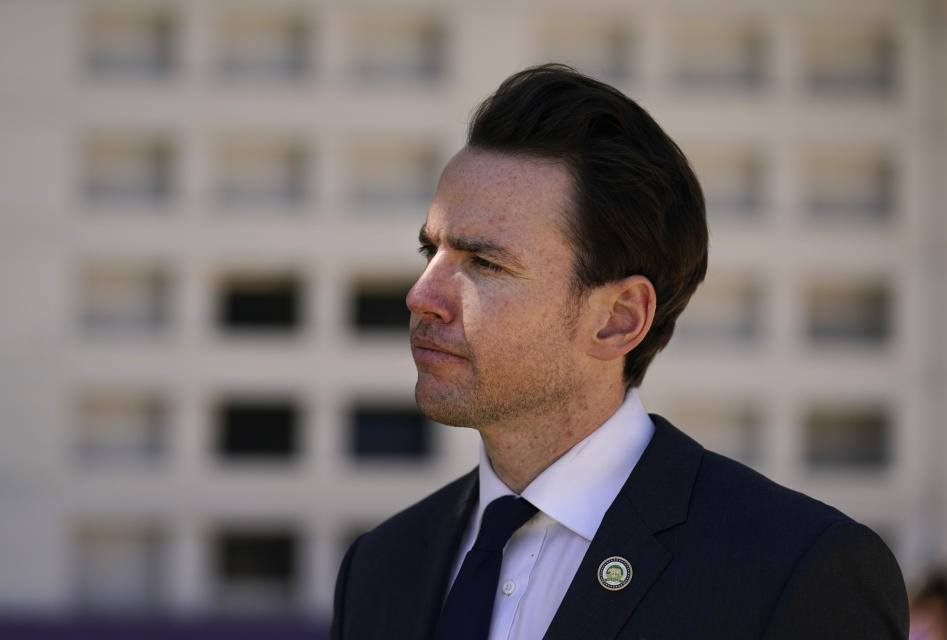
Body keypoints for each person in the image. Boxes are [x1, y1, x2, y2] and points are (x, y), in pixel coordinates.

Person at [330, 64, 908, 640]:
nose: (421, 295)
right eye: (430, 250)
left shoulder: (797, 572)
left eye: (484, 263)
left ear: (618, 319)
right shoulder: (381, 567)